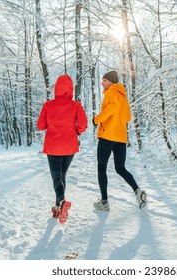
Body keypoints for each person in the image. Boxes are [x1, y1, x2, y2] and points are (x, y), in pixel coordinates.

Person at [92, 70, 147, 211]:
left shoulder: (110, 92)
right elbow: (128, 117)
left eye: (104, 80)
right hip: (121, 138)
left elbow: (111, 109)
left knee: (101, 168)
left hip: (107, 136)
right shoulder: (123, 96)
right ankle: (137, 191)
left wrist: (96, 120)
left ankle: (104, 202)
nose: (102, 83)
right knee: (120, 168)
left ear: (111, 82)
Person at [37, 74, 87, 220]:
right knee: (62, 175)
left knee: (57, 178)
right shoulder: (76, 105)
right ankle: (58, 207)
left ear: (56, 88)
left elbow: (40, 126)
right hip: (69, 147)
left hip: (53, 146)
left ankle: (62, 201)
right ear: (70, 89)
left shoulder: (48, 105)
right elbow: (83, 125)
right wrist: (76, 131)